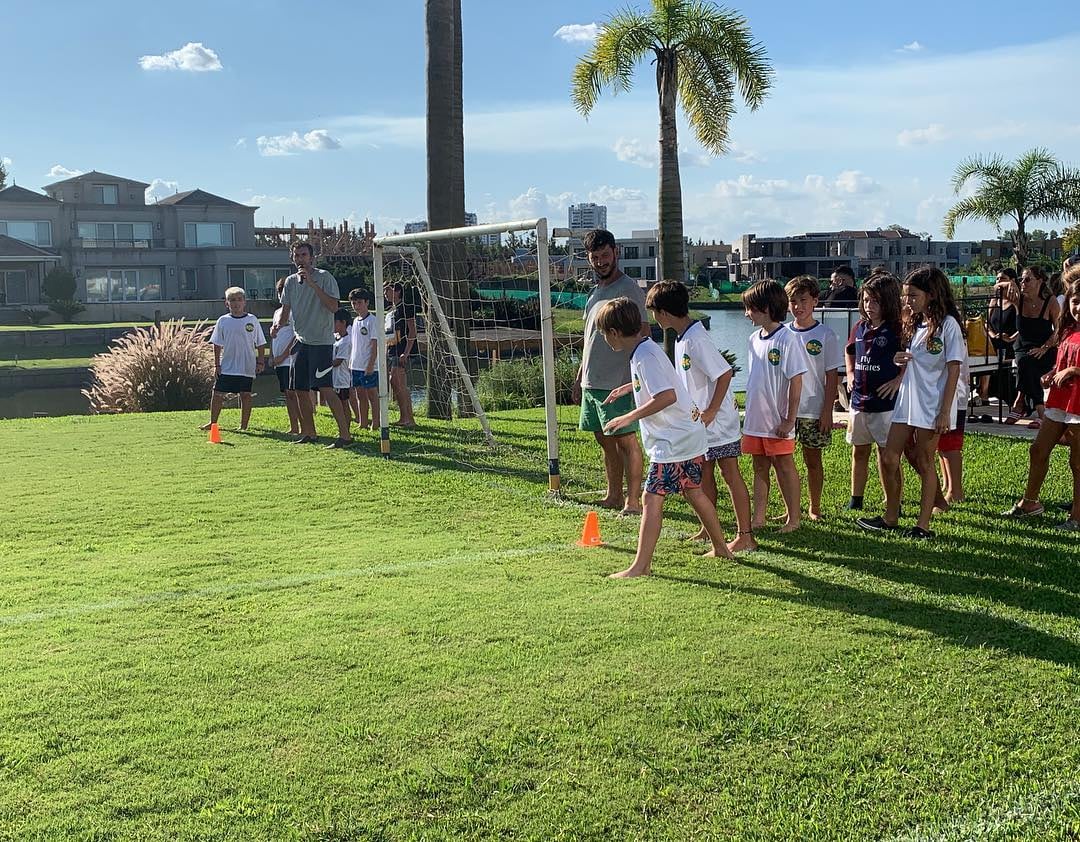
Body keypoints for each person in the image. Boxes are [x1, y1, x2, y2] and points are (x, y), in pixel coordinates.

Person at [597, 297, 734, 578]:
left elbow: (667, 396)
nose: (604, 338)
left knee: (650, 498)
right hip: (688, 436)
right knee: (693, 490)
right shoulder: (645, 349)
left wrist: (628, 417)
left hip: (674, 441)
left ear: (613, 333)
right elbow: (666, 383)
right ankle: (722, 548)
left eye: (604, 333)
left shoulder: (645, 355)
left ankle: (641, 566)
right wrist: (627, 388)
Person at [647, 280, 756, 553]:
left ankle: (746, 535)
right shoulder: (682, 337)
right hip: (700, 425)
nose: (653, 317)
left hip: (718, 423)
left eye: (653, 311)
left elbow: (724, 373)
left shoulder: (696, 338)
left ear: (663, 312)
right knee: (702, 475)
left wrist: (711, 411)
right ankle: (708, 530)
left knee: (729, 473)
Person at [858, 267, 965, 540]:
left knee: (924, 460)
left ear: (931, 295)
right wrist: (899, 361)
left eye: (913, 295)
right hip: (907, 400)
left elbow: (953, 369)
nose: (907, 301)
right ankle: (890, 517)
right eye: (906, 296)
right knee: (889, 456)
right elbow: (916, 360)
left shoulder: (949, 325)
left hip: (932, 404)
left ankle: (923, 525)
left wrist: (944, 411)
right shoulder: (917, 323)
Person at [573, 229, 649, 516]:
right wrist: (580, 376)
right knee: (605, 441)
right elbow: (590, 338)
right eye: (595, 257)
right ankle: (613, 495)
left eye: (605, 255)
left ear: (615, 252)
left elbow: (642, 334)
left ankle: (633, 500)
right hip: (592, 381)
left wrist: (635, 379)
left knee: (625, 439)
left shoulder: (629, 289)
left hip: (618, 381)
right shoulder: (595, 293)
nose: (601, 261)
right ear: (589, 259)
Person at [1003, 272, 1080, 529]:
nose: (1078, 307)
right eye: (1075, 301)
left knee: (1077, 462)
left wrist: (1073, 372)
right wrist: (1052, 373)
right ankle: (1030, 502)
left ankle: (1077, 517)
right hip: (1059, 400)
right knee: (1038, 450)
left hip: (1078, 403)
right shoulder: (1068, 328)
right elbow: (1064, 358)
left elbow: (1073, 366)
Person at [740, 280, 807, 533]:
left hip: (778, 420)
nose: (747, 314)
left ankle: (794, 519)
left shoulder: (788, 339)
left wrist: (790, 419)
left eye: (750, 309)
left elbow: (796, 382)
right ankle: (759, 517)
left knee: (784, 465)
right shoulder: (752, 339)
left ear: (766, 308)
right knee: (759, 466)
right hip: (756, 419)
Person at [271, 242, 352, 448]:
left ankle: (345, 436)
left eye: (304, 255)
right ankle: (310, 433)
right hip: (300, 342)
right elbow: (285, 312)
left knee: (325, 388)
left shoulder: (325, 277)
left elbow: (334, 307)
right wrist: (277, 327)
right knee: (299, 389)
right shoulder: (289, 282)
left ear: (312, 257)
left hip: (322, 343)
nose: (300, 259)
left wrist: (313, 285)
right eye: (297, 255)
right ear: (293, 258)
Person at [785, 275, 844, 520]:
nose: (798, 306)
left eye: (803, 300)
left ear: (815, 302)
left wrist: (827, 410)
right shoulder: (783, 333)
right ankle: (791, 508)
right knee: (784, 461)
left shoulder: (825, 335)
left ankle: (814, 507)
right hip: (786, 410)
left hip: (812, 407)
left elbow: (832, 376)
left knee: (812, 460)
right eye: (793, 301)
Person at [844, 273, 904, 510]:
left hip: (885, 404)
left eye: (876, 301)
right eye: (867, 300)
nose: (870, 306)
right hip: (859, 401)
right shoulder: (859, 327)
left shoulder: (896, 330)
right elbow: (849, 350)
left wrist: (899, 379)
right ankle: (855, 500)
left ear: (888, 301)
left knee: (887, 456)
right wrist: (849, 374)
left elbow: (911, 358)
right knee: (859, 452)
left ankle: (893, 501)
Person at [201, 287, 267, 432]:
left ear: (244, 302)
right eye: (232, 300)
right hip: (227, 366)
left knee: (245, 395)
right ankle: (213, 423)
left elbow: (260, 343)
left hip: (246, 366)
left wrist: (261, 361)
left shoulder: (252, 320)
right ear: (227, 303)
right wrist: (217, 365)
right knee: (217, 394)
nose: (236, 303)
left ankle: (243, 426)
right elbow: (217, 344)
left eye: (239, 300)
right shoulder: (223, 321)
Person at [1010, 265, 1060, 427]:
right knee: (1026, 362)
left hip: (1045, 347)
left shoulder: (1050, 302)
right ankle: (1040, 410)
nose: (1023, 283)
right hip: (1022, 347)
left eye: (1027, 279)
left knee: (1028, 365)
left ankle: (1019, 402)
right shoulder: (1019, 299)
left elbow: (1059, 330)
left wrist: (1044, 348)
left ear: (1039, 281)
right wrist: (1010, 283)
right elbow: (998, 287)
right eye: (1021, 280)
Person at [979, 268, 1018, 405]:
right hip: (994, 341)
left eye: (1002, 279)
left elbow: (1024, 325)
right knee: (986, 358)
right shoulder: (994, 301)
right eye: (997, 279)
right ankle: (983, 394)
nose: (998, 282)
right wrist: (992, 334)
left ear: (1012, 281)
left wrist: (1011, 338)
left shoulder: (1017, 301)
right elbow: (987, 322)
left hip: (1011, 343)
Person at [384, 282, 417, 428]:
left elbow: (412, 330)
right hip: (392, 349)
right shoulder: (391, 310)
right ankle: (406, 417)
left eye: (388, 290)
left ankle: (407, 418)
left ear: (397, 291)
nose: (385, 293)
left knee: (398, 381)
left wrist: (407, 351)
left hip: (402, 349)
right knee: (395, 382)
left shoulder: (406, 308)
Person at [271, 277, 301, 436]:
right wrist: (273, 356)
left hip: (290, 359)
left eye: (283, 292)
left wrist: (284, 355)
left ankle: (303, 426)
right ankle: (294, 426)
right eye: (279, 292)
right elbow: (275, 334)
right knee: (287, 394)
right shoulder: (277, 312)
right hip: (279, 361)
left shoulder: (294, 311)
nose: (281, 295)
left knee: (294, 393)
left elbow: (297, 336)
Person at [349, 288, 379, 430]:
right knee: (360, 395)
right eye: (354, 303)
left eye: (359, 302)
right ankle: (363, 422)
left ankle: (376, 422)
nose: (356, 306)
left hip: (368, 365)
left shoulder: (373, 321)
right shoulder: (355, 321)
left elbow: (375, 344)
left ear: (367, 302)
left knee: (372, 395)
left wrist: (370, 365)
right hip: (356, 364)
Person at [331, 308, 353, 427]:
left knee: (344, 403)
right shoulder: (336, 338)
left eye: (334, 322)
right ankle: (342, 426)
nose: (332, 325)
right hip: (335, 378)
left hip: (342, 379)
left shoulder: (346, 341)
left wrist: (323, 364)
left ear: (343, 322)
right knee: (337, 403)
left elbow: (338, 361)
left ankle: (347, 427)